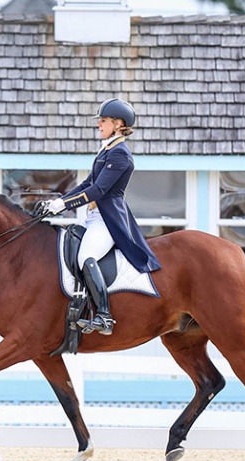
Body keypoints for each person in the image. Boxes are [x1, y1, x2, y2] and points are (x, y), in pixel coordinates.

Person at [46, 98, 161, 336]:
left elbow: (98, 191)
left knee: (86, 256)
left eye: (103, 120)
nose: (99, 124)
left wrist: (64, 205)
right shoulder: (107, 150)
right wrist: (59, 202)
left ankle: (104, 316)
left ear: (118, 124)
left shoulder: (120, 155)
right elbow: (87, 184)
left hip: (108, 220)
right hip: (93, 217)